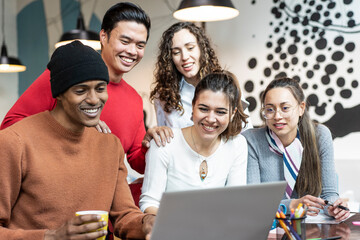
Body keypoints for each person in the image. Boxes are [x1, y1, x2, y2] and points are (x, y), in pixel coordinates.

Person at [0, 41, 154, 240]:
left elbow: (124, 216)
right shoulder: (14, 142)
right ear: (60, 95)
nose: (93, 99)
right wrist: (51, 237)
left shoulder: (110, 145)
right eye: (80, 91)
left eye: (100, 88)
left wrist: (147, 223)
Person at [0, 2, 171, 174]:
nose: (132, 51)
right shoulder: (66, 75)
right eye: (125, 41)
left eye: (140, 45)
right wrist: (74, 127)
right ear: (104, 37)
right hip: (55, 184)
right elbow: (9, 127)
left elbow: (136, 161)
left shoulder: (133, 99)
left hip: (103, 194)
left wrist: (150, 145)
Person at [140, 71, 248, 214]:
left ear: (232, 113)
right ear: (193, 106)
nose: (210, 119)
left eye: (220, 112)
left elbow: (235, 203)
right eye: (203, 109)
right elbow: (150, 202)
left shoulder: (237, 144)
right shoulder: (164, 142)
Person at [242, 77, 350, 221]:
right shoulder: (251, 140)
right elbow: (253, 203)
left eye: (285, 108)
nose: (277, 116)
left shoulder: (320, 135)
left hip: (311, 226)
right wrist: (292, 204)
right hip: (267, 226)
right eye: (269, 109)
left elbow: (329, 194)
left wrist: (334, 207)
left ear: (301, 108)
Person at [149, 21, 253, 129]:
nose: (184, 57)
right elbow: (163, 137)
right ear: (170, 58)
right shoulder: (163, 95)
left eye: (190, 48)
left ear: (201, 49)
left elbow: (247, 130)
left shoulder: (227, 85)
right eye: (176, 52)